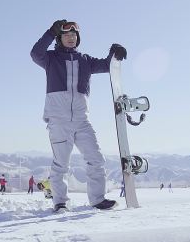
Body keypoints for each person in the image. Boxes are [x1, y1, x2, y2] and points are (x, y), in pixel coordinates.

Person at [31, 19, 126, 212]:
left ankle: (98, 200)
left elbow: (108, 66)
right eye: (66, 34)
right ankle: (60, 202)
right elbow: (35, 53)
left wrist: (114, 54)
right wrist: (50, 32)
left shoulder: (85, 60)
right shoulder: (51, 59)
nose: (71, 37)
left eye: (74, 35)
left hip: (82, 120)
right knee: (61, 164)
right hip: (59, 120)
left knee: (96, 159)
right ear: (59, 38)